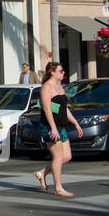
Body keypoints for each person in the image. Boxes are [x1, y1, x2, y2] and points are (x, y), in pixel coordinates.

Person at [31, 61, 81, 197]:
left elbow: (64, 108)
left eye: (63, 71)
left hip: (62, 125)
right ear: (52, 72)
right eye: (60, 71)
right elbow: (47, 108)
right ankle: (58, 188)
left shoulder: (60, 87)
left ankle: (42, 173)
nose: (63, 73)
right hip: (49, 126)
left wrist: (75, 123)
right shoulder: (47, 87)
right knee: (58, 156)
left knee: (67, 156)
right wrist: (53, 128)